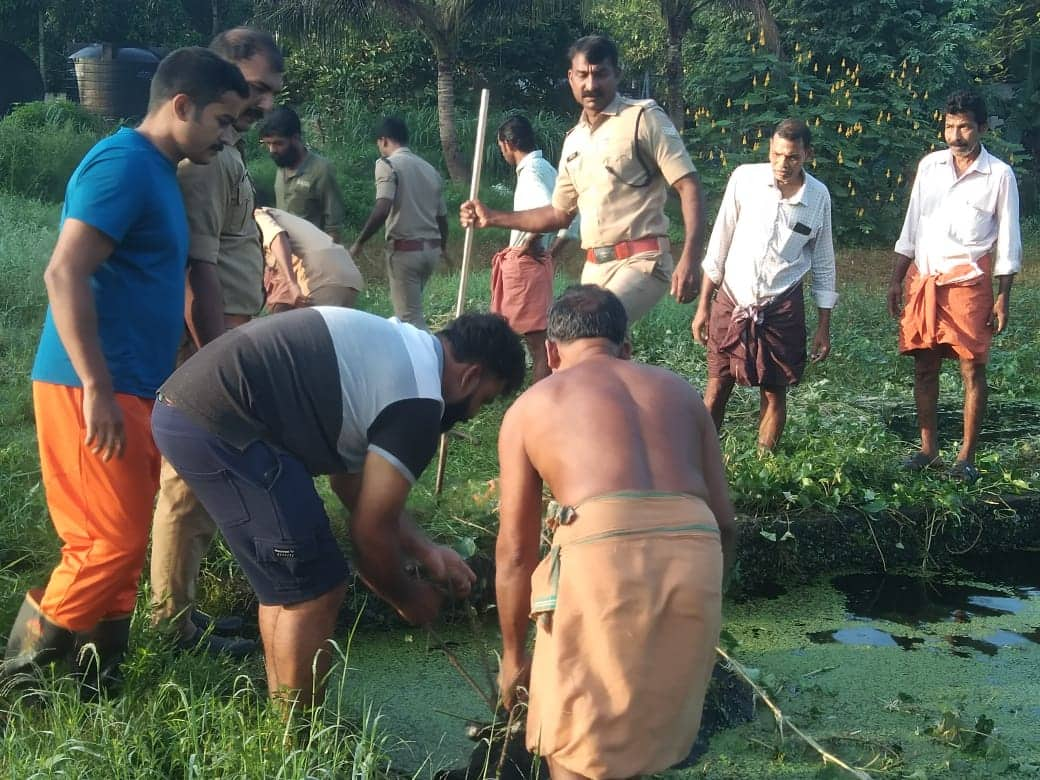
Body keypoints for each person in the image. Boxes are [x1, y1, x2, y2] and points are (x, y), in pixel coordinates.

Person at [1, 47, 249, 693]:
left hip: (135, 385)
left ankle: (97, 682)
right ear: (181, 106)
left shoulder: (159, 173)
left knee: (126, 541)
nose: (227, 137)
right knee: (103, 544)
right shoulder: (122, 165)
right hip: (89, 387)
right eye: (222, 121)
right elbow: (64, 271)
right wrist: (97, 389)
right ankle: (15, 684)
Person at [151, 308, 525, 709]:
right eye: (482, 401)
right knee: (315, 587)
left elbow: (352, 485)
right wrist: (407, 596)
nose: (471, 413)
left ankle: (281, 720)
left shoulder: (405, 348)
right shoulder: (421, 402)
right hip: (224, 422)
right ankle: (296, 738)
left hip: (189, 404)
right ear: (471, 376)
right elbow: (370, 533)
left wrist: (426, 550)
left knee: (292, 583)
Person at [495, 285, 736, 779]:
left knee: (575, 747)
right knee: (646, 730)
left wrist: (514, 657)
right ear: (626, 347)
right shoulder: (680, 392)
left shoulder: (531, 406)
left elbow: (517, 554)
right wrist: (709, 588)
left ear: (551, 351)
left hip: (602, 557)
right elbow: (726, 522)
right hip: (696, 552)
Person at [149, 27, 284, 656]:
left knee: (196, 480)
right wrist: (212, 360)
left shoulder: (225, 154)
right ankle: (169, 623)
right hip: (204, 338)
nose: (259, 104)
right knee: (185, 480)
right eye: (253, 88)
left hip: (222, 331)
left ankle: (182, 611)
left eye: (268, 93)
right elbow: (194, 269)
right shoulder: (202, 163)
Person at [461, 35, 705, 324]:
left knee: (594, 328)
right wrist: (492, 217)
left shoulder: (644, 117)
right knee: (568, 343)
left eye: (600, 74)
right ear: (571, 78)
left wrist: (691, 257)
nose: (591, 85)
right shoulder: (574, 141)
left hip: (643, 262)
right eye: (582, 75)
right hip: (594, 267)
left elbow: (688, 185)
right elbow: (557, 214)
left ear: (617, 74)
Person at [887, 90, 1022, 482]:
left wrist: (1003, 297)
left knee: (971, 368)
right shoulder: (930, 167)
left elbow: (1009, 241)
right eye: (949, 126)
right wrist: (897, 279)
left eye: (964, 126)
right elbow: (911, 227)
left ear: (981, 128)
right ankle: (928, 450)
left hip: (969, 283)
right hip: (924, 279)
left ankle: (966, 458)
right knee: (924, 366)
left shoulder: (999, 175)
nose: (956, 134)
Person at [691, 118, 837, 451]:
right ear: (769, 149)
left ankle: (764, 465)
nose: (782, 165)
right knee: (716, 386)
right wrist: (702, 308)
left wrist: (823, 326)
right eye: (776, 155)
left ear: (807, 155)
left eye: (792, 158)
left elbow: (825, 262)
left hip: (781, 305)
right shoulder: (745, 179)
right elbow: (719, 243)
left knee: (774, 391)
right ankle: (702, 462)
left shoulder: (818, 197)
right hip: (732, 298)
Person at [492, 115, 577, 382]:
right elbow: (572, 220)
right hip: (534, 262)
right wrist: (552, 252)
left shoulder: (532, 172)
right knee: (526, 337)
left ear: (506, 144)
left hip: (526, 263)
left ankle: (541, 396)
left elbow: (545, 211)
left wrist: (530, 244)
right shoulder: (547, 169)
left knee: (538, 343)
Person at [350, 117, 449, 329]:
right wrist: (443, 247)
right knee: (413, 309)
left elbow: (382, 207)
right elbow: (442, 217)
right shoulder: (430, 169)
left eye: (379, 143)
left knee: (409, 321)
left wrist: (360, 241)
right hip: (430, 252)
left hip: (406, 254)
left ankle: (433, 359)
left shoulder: (387, 165)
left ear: (384, 140)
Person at [259, 106, 346, 243]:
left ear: (295, 138)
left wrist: (327, 259)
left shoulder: (321, 170)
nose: (272, 150)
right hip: (285, 255)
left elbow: (333, 227)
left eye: (278, 143)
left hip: (313, 255)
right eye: (268, 144)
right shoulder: (282, 165)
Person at [254, 206, 364, 312]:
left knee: (313, 328)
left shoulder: (256, 216)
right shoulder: (278, 216)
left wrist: (291, 284)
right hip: (345, 269)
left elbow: (278, 237)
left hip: (321, 275)